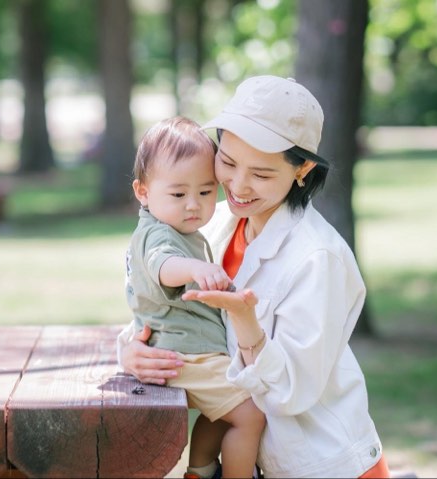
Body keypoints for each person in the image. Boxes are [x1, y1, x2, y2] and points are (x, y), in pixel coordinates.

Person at [118, 76, 390, 479]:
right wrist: (131, 351)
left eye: (261, 174)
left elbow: (290, 392)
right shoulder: (213, 224)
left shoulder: (318, 258)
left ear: (303, 170)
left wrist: (247, 323)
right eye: (227, 162)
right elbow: (164, 308)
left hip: (319, 465)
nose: (238, 186)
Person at [125, 116, 266, 479]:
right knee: (250, 416)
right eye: (178, 194)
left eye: (205, 192)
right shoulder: (157, 235)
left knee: (218, 415)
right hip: (186, 355)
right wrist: (192, 268)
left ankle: (200, 471)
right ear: (143, 192)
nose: (193, 205)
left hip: (192, 352)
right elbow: (162, 266)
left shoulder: (181, 229)